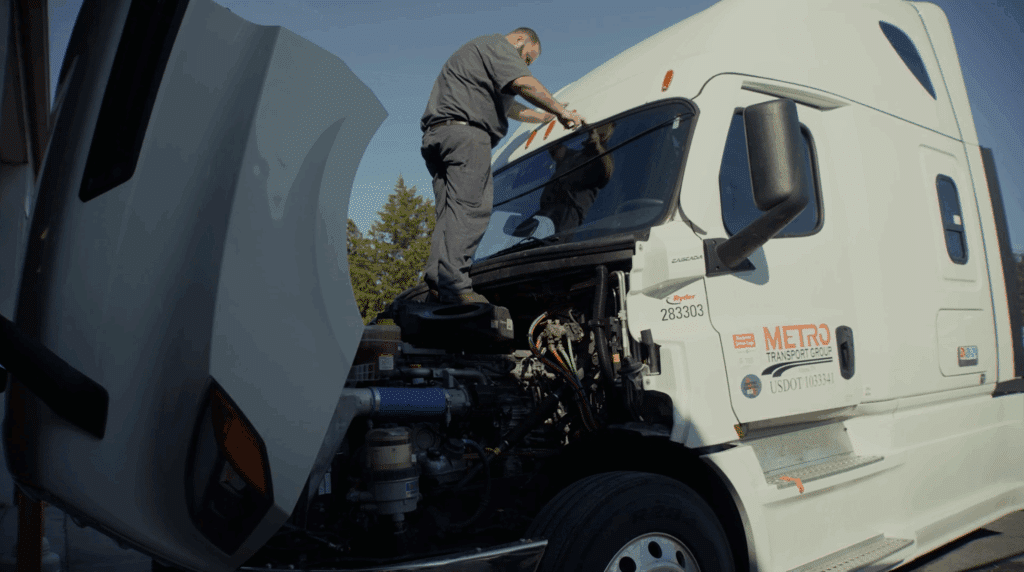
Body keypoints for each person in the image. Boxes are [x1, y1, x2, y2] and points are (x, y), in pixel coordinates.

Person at [420, 27, 585, 304]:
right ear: (520, 40)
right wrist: (561, 110)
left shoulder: (477, 57)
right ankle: (456, 287)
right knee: (472, 208)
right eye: (529, 59)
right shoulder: (499, 47)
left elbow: (511, 108)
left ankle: (437, 282)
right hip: (467, 136)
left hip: (438, 137)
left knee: (451, 214)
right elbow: (524, 83)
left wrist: (543, 116)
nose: (526, 64)